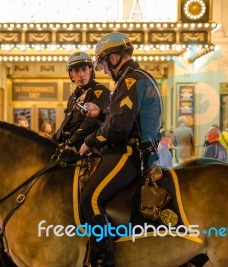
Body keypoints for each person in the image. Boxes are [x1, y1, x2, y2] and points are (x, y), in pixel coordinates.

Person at [78, 32, 163, 267]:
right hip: (137, 150)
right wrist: (101, 113)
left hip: (129, 154)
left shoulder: (130, 80)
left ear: (114, 59)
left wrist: (90, 141)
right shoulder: (135, 78)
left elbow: (119, 128)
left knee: (90, 198)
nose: (104, 71)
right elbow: (125, 119)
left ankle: (104, 261)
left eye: (104, 64)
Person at [53, 51, 110, 151]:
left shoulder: (100, 91)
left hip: (86, 146)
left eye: (84, 69)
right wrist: (53, 139)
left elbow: (92, 122)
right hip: (68, 143)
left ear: (91, 70)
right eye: (76, 71)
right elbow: (67, 123)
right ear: (71, 73)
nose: (81, 75)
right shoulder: (73, 96)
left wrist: (71, 142)